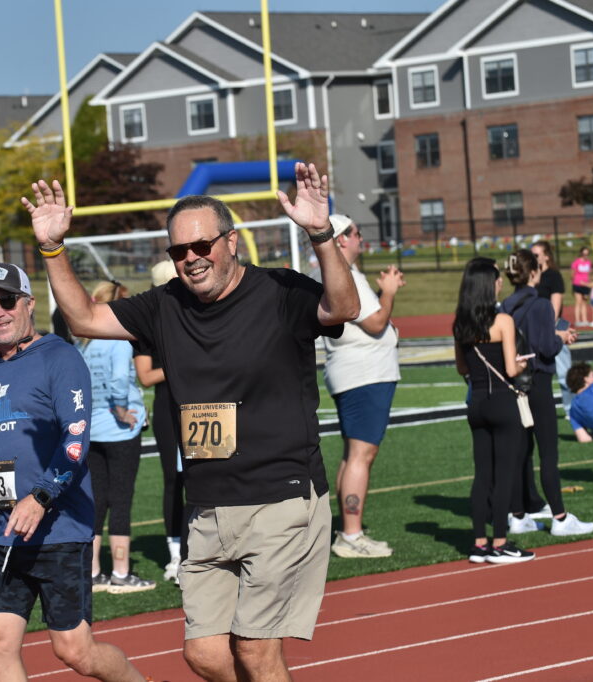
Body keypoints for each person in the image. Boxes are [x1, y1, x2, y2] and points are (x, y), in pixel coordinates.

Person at [22, 162, 359, 681]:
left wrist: (320, 234)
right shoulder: (165, 306)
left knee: (254, 651)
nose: (192, 259)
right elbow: (84, 318)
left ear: (231, 243)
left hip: (281, 496)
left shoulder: (279, 292)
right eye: (179, 251)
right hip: (206, 505)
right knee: (204, 655)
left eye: (203, 246)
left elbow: (343, 307)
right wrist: (52, 248)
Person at [0, 263, 144, 681]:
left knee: (75, 651)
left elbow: (76, 440)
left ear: (29, 304)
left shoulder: (60, 357)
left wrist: (41, 495)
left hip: (58, 530)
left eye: (7, 301)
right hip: (1, 530)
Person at [315, 214, 403, 558]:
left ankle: (347, 530)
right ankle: (351, 534)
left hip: (354, 373)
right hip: (364, 374)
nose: (359, 237)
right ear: (340, 240)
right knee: (361, 455)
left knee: (354, 454)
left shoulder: (336, 276)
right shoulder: (347, 276)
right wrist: (389, 292)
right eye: (354, 232)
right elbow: (376, 322)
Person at [500, 252, 593, 538]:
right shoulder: (540, 305)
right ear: (533, 273)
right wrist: (561, 337)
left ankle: (517, 515)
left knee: (521, 451)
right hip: (538, 381)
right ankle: (560, 517)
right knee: (548, 453)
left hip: (514, 382)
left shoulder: (505, 304)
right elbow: (546, 347)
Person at [453, 258, 534, 564]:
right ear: (489, 284)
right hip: (502, 401)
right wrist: (523, 362)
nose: (501, 282)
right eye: (497, 279)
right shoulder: (503, 321)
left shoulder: (460, 323)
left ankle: (479, 543)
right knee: (505, 475)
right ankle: (500, 542)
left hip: (476, 403)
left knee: (482, 474)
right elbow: (512, 368)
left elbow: (462, 367)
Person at [80, 281, 154, 594]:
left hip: (93, 430)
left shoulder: (86, 344)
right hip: (119, 430)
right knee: (121, 499)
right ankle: (121, 573)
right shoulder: (118, 339)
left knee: (97, 500)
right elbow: (120, 377)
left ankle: (94, 571)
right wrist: (122, 409)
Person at [133, 258, 184, 582]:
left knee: (212, 475)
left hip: (205, 406)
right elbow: (146, 376)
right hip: (169, 409)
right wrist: (183, 364)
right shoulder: (147, 324)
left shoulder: (199, 313)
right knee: (174, 480)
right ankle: (178, 554)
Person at [532, 241, 574, 413]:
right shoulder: (532, 276)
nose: (533, 258)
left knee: (564, 372)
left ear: (546, 256)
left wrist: (550, 328)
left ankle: (571, 409)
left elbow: (555, 306)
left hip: (553, 326)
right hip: (536, 328)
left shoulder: (553, 276)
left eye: (536, 255)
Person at [570, 246, 593, 328]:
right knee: (578, 302)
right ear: (581, 253)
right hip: (577, 284)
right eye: (584, 254)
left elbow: (589, 274)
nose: (585, 255)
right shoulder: (576, 262)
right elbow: (572, 274)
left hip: (586, 285)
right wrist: (575, 282)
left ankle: (584, 320)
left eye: (587, 254)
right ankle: (577, 320)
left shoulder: (589, 263)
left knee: (584, 303)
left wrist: (589, 284)